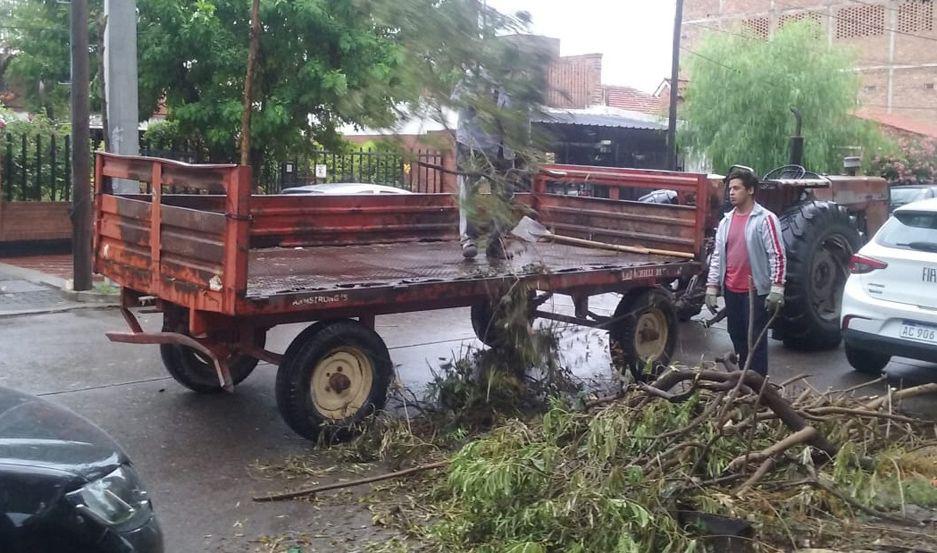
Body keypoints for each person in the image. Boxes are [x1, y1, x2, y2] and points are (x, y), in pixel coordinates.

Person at [705, 167, 787, 375]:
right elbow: (717, 256)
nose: (731, 192)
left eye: (737, 188)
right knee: (737, 336)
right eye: (730, 189)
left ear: (750, 190)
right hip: (732, 289)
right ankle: (743, 381)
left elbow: (777, 254)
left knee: (755, 341)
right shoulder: (726, 221)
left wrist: (777, 287)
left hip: (755, 292)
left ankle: (757, 387)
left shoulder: (765, 219)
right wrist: (712, 287)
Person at [453, 77, 515, 260]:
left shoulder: (513, 83)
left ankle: (495, 244)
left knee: (505, 196)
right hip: (474, 144)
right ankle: (468, 239)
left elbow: (521, 117)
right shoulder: (473, 76)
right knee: (470, 192)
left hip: (505, 148)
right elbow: (456, 99)